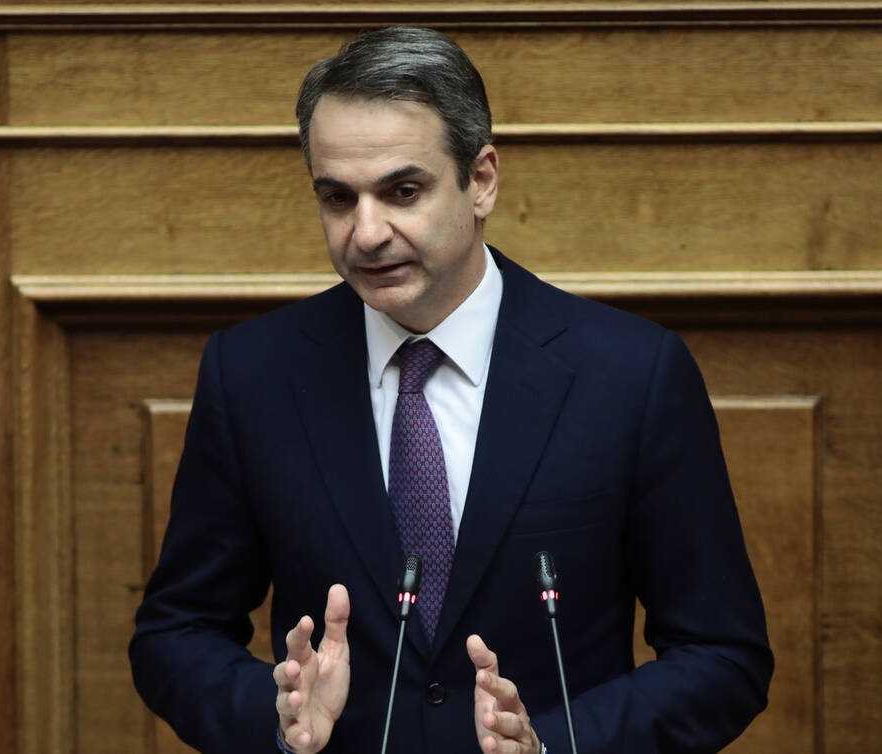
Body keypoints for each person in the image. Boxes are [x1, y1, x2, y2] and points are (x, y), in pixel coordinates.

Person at [129, 26, 772, 754]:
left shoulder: (630, 375)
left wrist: (554, 746)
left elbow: (723, 656)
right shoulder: (253, 374)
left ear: (482, 180)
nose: (366, 233)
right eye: (337, 198)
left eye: (402, 191)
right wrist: (274, 718)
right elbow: (175, 633)